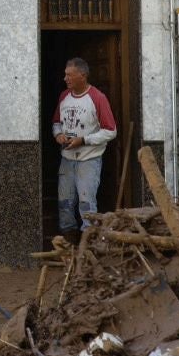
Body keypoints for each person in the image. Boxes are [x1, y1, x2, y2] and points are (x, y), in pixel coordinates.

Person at [53, 58, 117, 242]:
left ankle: (89, 241)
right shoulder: (64, 96)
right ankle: (69, 240)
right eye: (65, 74)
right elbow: (56, 122)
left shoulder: (97, 98)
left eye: (69, 75)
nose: (65, 78)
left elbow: (111, 131)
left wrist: (83, 140)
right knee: (64, 202)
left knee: (86, 202)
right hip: (67, 158)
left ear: (83, 75)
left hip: (89, 159)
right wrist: (58, 135)